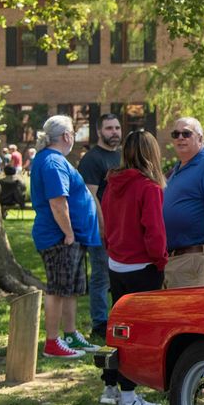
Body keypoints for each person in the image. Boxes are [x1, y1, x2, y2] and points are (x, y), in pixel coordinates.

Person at [99, 130, 166, 405]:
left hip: (117, 262)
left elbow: (105, 222)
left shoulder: (112, 183)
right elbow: (154, 231)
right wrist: (161, 261)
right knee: (135, 332)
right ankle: (128, 397)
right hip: (142, 265)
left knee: (116, 329)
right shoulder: (148, 187)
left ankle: (110, 386)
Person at [30, 116, 101, 358]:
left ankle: (70, 334)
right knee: (58, 289)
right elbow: (58, 202)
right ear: (67, 136)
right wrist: (68, 233)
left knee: (71, 288)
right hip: (59, 237)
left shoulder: (55, 160)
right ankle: (52, 342)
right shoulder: (52, 162)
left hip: (71, 238)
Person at [162, 117, 204, 287]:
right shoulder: (178, 168)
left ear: (200, 138)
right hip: (174, 259)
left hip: (194, 259)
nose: (180, 137)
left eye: (186, 133)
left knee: (189, 313)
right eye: (176, 134)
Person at [77, 112, 122, 341]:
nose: (114, 132)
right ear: (99, 131)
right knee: (101, 276)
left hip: (121, 228)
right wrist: (103, 227)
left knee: (118, 275)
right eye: (109, 128)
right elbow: (91, 197)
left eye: (116, 128)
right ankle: (99, 323)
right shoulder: (92, 159)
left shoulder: (121, 157)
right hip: (101, 228)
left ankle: (119, 319)